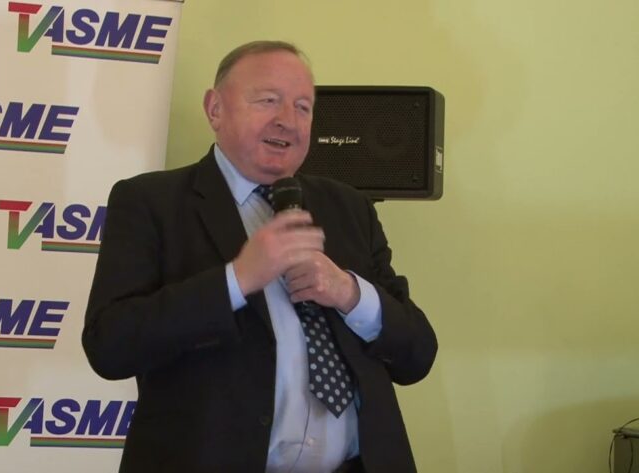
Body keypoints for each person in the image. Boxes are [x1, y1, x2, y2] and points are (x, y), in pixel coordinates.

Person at [83, 40, 437, 473]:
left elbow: (417, 355)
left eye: (303, 107)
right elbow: (110, 345)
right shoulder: (150, 202)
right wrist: (236, 279)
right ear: (215, 109)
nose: (287, 120)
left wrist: (349, 293)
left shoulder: (349, 207)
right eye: (268, 100)